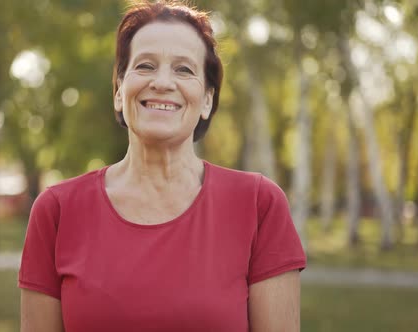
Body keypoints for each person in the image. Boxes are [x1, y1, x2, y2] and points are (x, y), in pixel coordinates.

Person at [19, 1, 306, 331]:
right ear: (118, 91)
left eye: (184, 70)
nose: (163, 82)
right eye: (145, 66)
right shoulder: (57, 212)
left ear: (207, 100)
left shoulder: (259, 205)